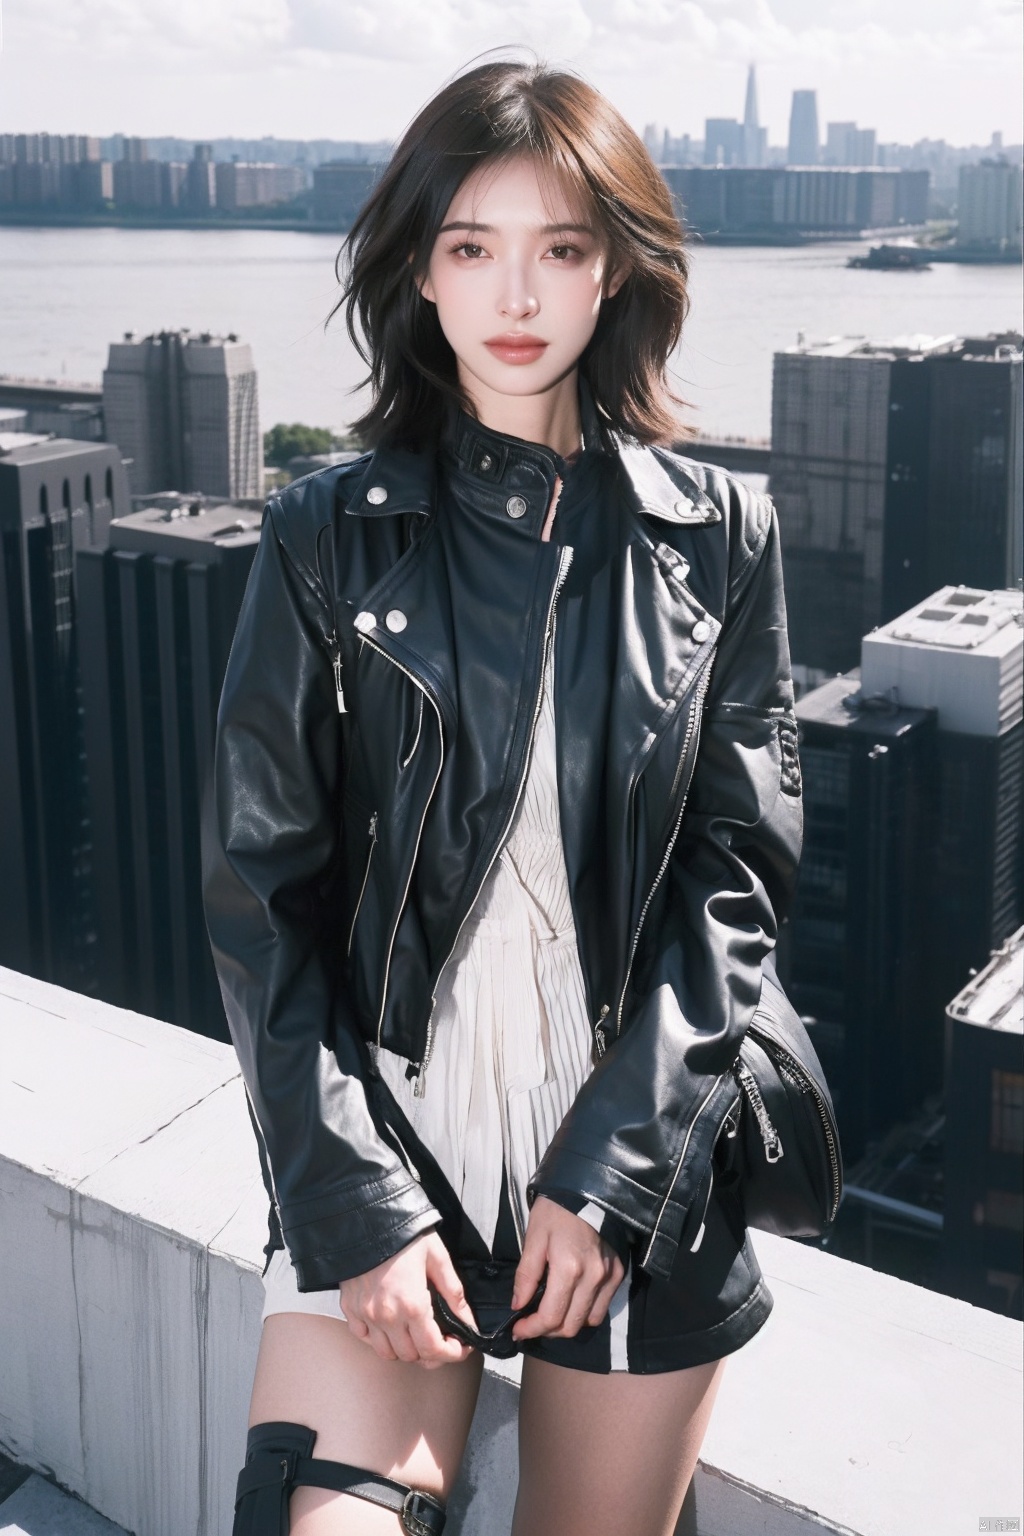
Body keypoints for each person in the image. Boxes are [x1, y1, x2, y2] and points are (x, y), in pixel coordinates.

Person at [202, 55, 803, 1536]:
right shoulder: (325, 538)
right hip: (390, 1129)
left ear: (618, 275)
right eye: (472, 246)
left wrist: (611, 1182)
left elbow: (733, 883)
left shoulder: (717, 534)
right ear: (419, 272)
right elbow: (259, 900)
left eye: (561, 248)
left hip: (632, 1151)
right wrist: (352, 1210)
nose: (514, 293)